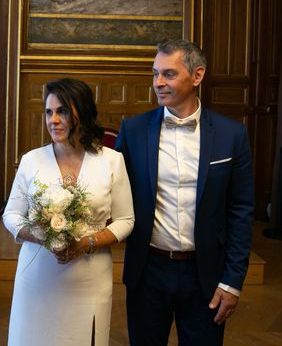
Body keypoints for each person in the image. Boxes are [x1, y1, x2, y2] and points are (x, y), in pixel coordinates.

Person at [115, 40, 255, 345]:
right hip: (147, 271)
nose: (158, 83)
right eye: (155, 74)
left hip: (206, 274)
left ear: (197, 75)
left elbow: (241, 211)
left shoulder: (232, 135)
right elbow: (110, 190)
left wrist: (232, 281)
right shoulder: (134, 130)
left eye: (169, 74)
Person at [3, 78, 134, 346]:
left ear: (81, 112)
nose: (54, 120)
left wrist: (86, 243)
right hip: (38, 276)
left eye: (62, 111)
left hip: (89, 277)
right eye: (49, 112)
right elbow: (11, 215)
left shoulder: (111, 160)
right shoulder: (31, 160)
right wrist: (44, 238)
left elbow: (125, 220)